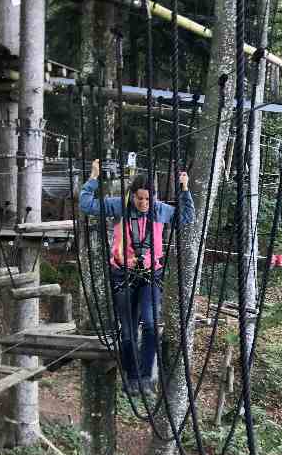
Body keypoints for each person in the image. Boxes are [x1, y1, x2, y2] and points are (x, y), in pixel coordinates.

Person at [79, 159, 195, 394]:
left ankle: (145, 377)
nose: (143, 203)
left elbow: (186, 217)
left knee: (151, 325)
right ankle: (131, 378)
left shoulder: (161, 210)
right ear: (132, 196)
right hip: (123, 274)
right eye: (139, 198)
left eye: (147, 198)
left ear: (153, 197)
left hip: (151, 275)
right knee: (129, 330)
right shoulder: (119, 207)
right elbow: (87, 204)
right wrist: (93, 178)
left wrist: (184, 189)